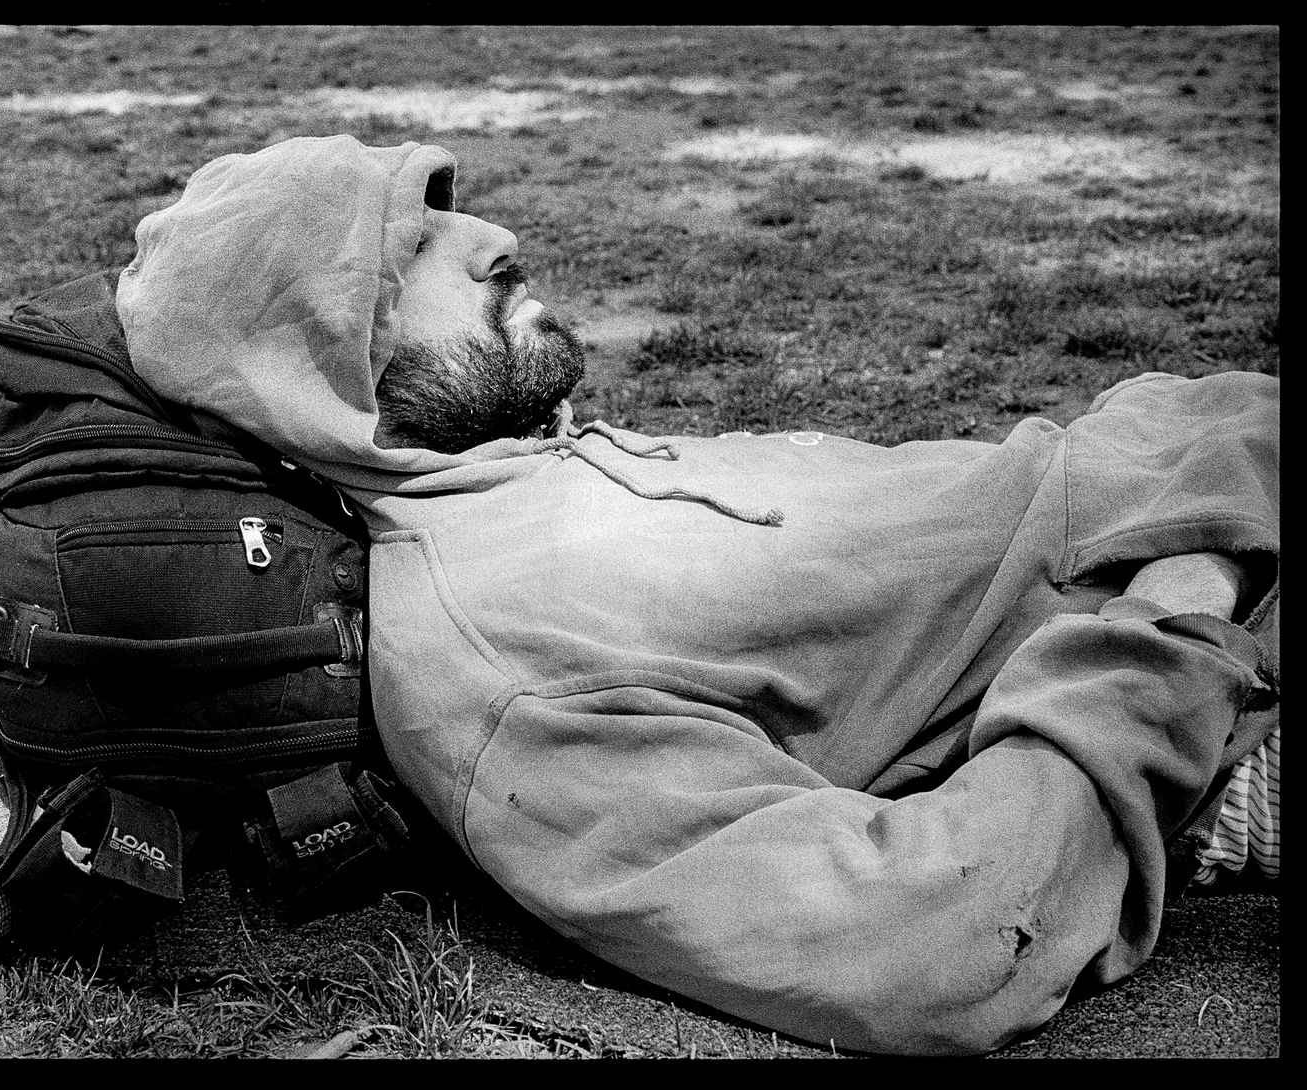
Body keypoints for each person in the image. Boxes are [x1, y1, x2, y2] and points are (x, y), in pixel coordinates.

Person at [113, 135, 1278, 1055]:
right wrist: (1181, 600)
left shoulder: (540, 461)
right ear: (326, 370)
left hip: (1209, 467)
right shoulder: (498, 670)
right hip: (1220, 624)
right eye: (409, 250)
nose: (495, 237)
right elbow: (932, 943)